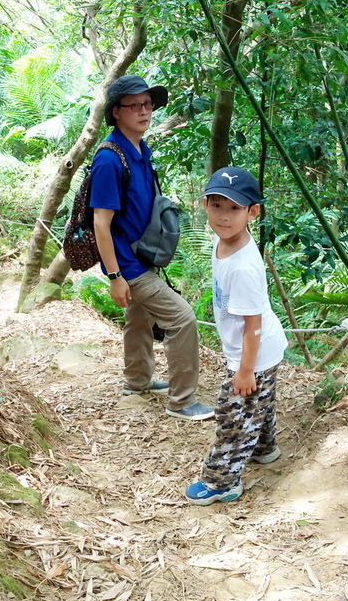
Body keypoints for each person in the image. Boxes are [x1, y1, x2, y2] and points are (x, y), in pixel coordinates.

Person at [90, 75, 213, 421]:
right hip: (127, 264)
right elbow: (101, 223)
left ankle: (137, 381)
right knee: (182, 318)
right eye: (135, 105)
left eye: (148, 104)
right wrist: (115, 275)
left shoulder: (141, 149)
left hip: (141, 256)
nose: (145, 111)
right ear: (116, 112)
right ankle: (183, 401)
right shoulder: (109, 160)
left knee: (139, 317)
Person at [185, 167, 288, 504]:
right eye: (216, 206)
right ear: (205, 205)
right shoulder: (222, 239)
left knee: (233, 415)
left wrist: (244, 370)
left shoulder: (244, 267)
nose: (223, 217)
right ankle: (265, 448)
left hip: (253, 351)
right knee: (259, 401)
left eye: (234, 209)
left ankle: (222, 482)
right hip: (258, 348)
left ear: (252, 211)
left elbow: (252, 325)